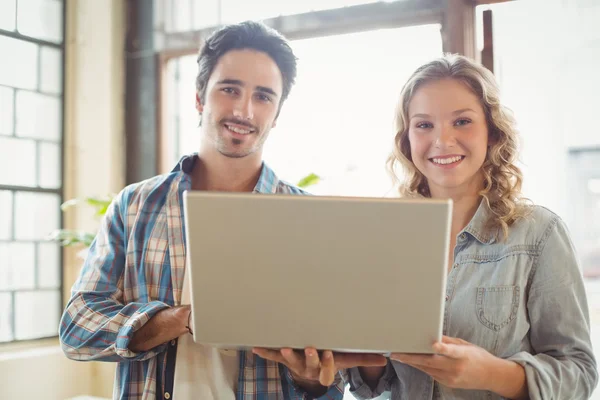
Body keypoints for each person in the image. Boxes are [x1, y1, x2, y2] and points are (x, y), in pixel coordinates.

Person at [59, 20, 385, 400]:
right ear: (200, 97)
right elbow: (77, 329)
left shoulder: (309, 220)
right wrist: (185, 319)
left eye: (263, 96)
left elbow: (329, 380)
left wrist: (311, 377)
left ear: (277, 114)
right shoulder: (135, 207)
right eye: (230, 89)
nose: (244, 110)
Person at [347, 54, 598, 399]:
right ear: (406, 139)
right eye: (424, 125)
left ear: (492, 132)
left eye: (462, 121)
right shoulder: (385, 238)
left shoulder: (539, 233)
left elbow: (580, 375)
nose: (442, 140)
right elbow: (372, 384)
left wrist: (493, 373)